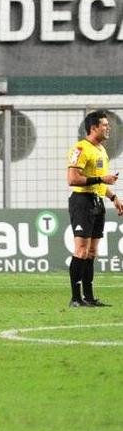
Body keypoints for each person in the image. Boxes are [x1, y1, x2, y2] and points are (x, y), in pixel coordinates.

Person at [66, 111, 122, 307]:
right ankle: (75, 298)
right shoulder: (81, 148)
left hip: (97, 202)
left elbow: (100, 182)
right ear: (94, 128)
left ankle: (88, 297)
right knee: (81, 250)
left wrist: (114, 197)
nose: (109, 128)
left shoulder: (101, 150)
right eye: (105, 125)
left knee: (91, 252)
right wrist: (101, 179)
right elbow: (73, 179)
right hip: (82, 201)